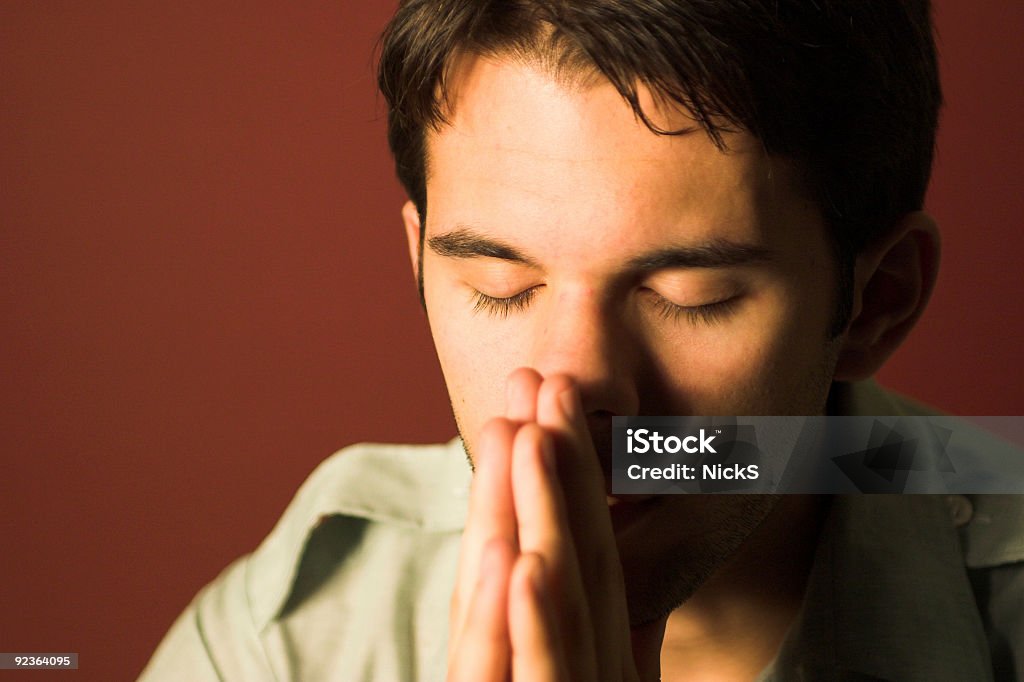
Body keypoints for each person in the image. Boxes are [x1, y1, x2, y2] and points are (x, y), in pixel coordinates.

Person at [141, 1, 1024, 680]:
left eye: (692, 295)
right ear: (418, 264)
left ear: (879, 303)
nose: (574, 389)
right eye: (501, 286)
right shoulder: (284, 640)